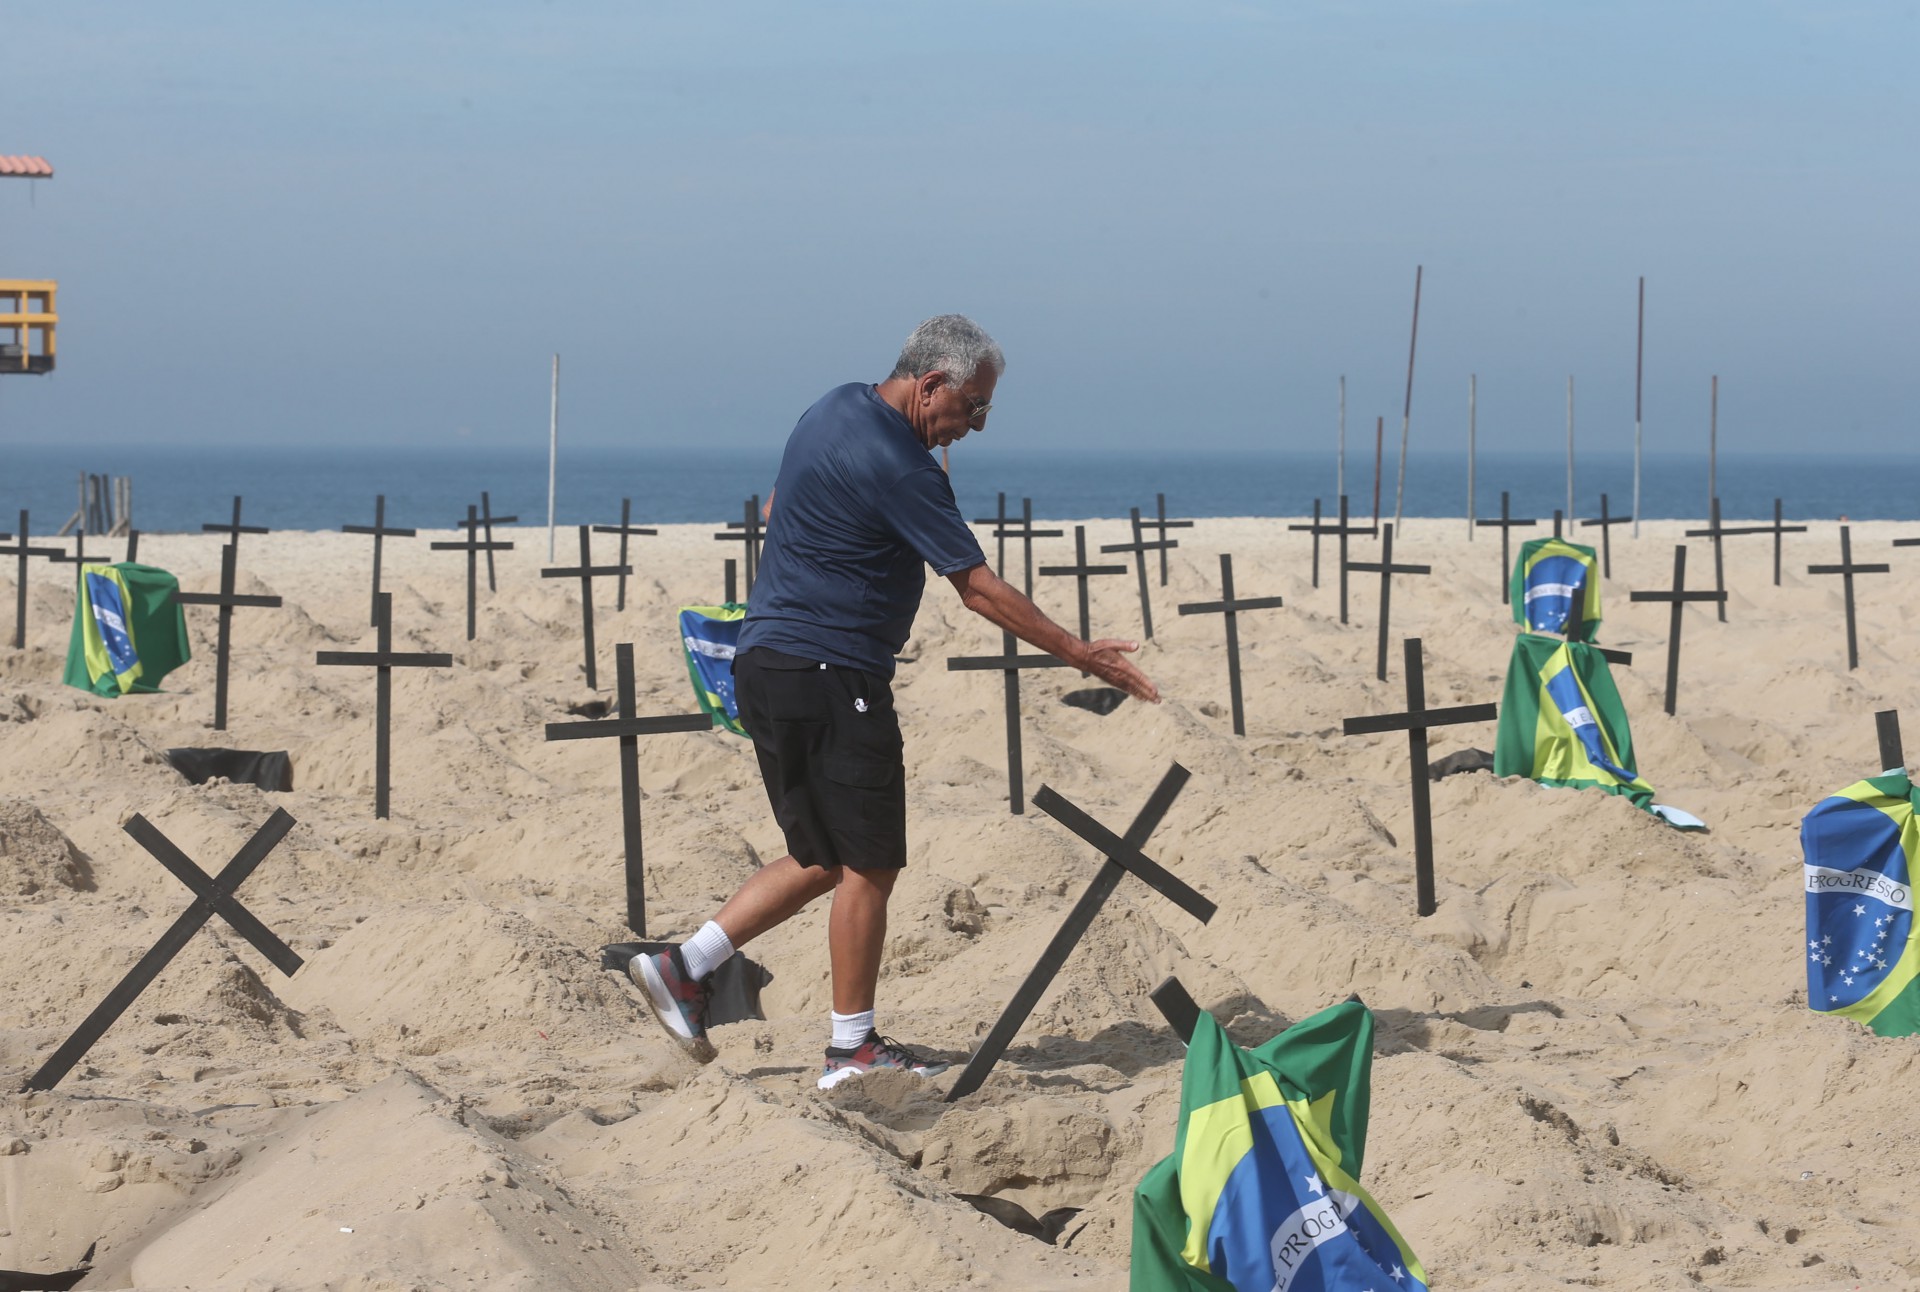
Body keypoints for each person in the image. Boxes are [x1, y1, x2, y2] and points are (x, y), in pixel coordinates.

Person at [630, 314, 1159, 1089]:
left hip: (766, 663)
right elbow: (977, 587)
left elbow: (782, 507)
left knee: (821, 856)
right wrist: (1079, 653)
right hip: (832, 672)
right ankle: (853, 1049)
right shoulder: (903, 466)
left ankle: (685, 966)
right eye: (972, 407)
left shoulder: (833, 407)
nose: (974, 425)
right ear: (932, 382)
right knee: (870, 867)